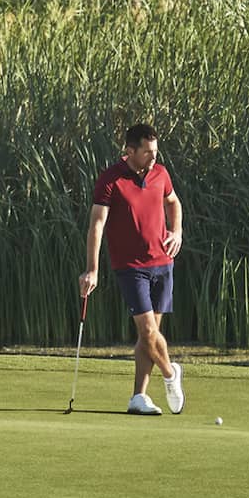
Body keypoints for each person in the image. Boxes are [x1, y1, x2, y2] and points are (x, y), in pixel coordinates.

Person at [80, 122, 185, 417]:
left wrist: (176, 232)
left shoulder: (160, 173)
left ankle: (138, 396)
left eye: (155, 151)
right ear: (130, 151)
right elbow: (97, 226)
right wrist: (92, 269)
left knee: (148, 337)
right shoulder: (110, 180)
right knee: (148, 329)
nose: (154, 157)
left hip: (162, 263)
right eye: (147, 152)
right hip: (130, 267)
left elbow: (173, 202)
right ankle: (170, 373)